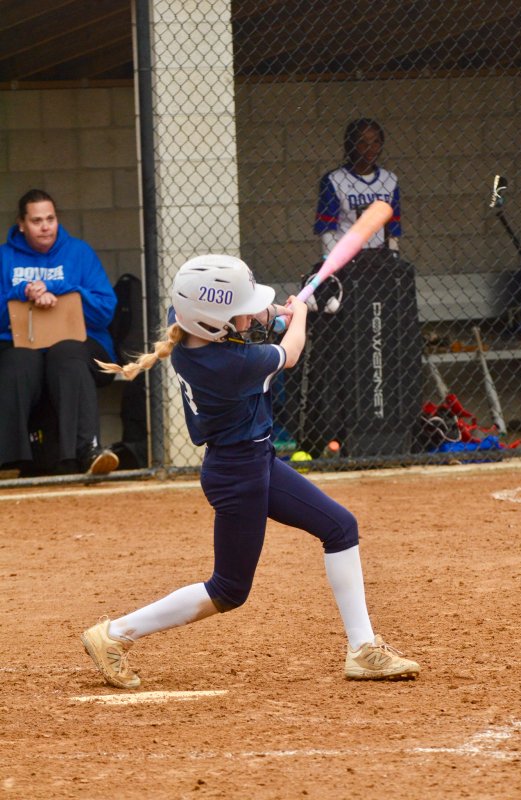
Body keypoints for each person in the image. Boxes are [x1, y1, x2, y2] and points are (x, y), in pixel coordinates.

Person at [81, 253, 420, 689]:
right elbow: (291, 352)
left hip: (254, 462)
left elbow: (252, 324)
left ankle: (363, 648)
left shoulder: (188, 323)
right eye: (240, 314)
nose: (250, 318)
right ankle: (114, 634)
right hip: (238, 474)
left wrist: (282, 311)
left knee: (340, 527)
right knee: (228, 590)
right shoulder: (230, 366)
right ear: (214, 323)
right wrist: (299, 315)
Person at [0, 189, 119, 476]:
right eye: (37, 220)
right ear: (21, 224)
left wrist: (64, 290)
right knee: (18, 362)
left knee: (67, 354)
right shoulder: (5, 257)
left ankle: (86, 452)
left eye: (50, 219)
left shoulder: (78, 252)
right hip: (20, 346)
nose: (45, 226)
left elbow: (105, 310)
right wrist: (21, 293)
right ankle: (9, 461)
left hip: (77, 344)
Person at [314, 118, 401, 256]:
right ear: (351, 144)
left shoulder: (389, 179)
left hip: (380, 257)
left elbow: (393, 228)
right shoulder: (334, 180)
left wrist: (393, 258)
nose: (370, 147)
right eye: (362, 142)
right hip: (346, 257)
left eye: (376, 142)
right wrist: (331, 264)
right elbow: (327, 229)